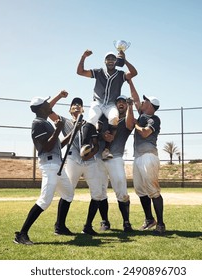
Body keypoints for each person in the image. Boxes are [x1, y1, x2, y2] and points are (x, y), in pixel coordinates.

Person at [13, 91, 75, 245]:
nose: (50, 105)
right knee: (45, 201)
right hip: (49, 165)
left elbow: (58, 145)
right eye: (47, 104)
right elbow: (46, 147)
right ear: (41, 108)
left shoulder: (45, 122)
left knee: (68, 194)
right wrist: (59, 129)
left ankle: (60, 227)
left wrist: (74, 131)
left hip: (57, 165)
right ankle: (21, 234)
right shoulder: (38, 124)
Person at [49, 96, 103, 236]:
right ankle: (59, 226)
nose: (77, 106)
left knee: (98, 193)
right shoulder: (65, 122)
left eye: (80, 104)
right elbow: (48, 109)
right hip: (73, 159)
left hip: (90, 161)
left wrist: (90, 154)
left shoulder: (90, 124)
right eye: (74, 104)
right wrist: (60, 96)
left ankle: (88, 226)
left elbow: (96, 145)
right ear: (69, 109)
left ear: (83, 109)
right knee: (67, 192)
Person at [77, 49, 138, 160]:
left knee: (114, 118)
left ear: (116, 61)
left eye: (113, 59)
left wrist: (125, 60)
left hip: (110, 104)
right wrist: (83, 56)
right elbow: (80, 72)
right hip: (98, 102)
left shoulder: (120, 74)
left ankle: (106, 149)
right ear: (104, 61)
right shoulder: (99, 72)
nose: (110, 60)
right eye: (108, 59)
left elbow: (134, 73)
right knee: (92, 118)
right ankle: (85, 145)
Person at [125, 78, 166, 235]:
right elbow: (135, 98)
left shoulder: (153, 119)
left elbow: (144, 133)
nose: (141, 102)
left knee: (153, 191)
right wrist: (129, 82)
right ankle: (149, 219)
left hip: (148, 156)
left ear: (149, 105)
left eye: (145, 100)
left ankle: (161, 224)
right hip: (138, 157)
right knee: (140, 190)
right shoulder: (143, 114)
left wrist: (135, 123)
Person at [97, 95, 134, 232]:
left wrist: (131, 106)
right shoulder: (106, 118)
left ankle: (126, 222)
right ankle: (105, 221)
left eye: (123, 102)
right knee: (100, 192)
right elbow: (95, 133)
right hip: (100, 158)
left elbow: (131, 124)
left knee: (121, 191)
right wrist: (102, 136)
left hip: (116, 158)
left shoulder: (126, 119)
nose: (121, 104)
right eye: (118, 102)